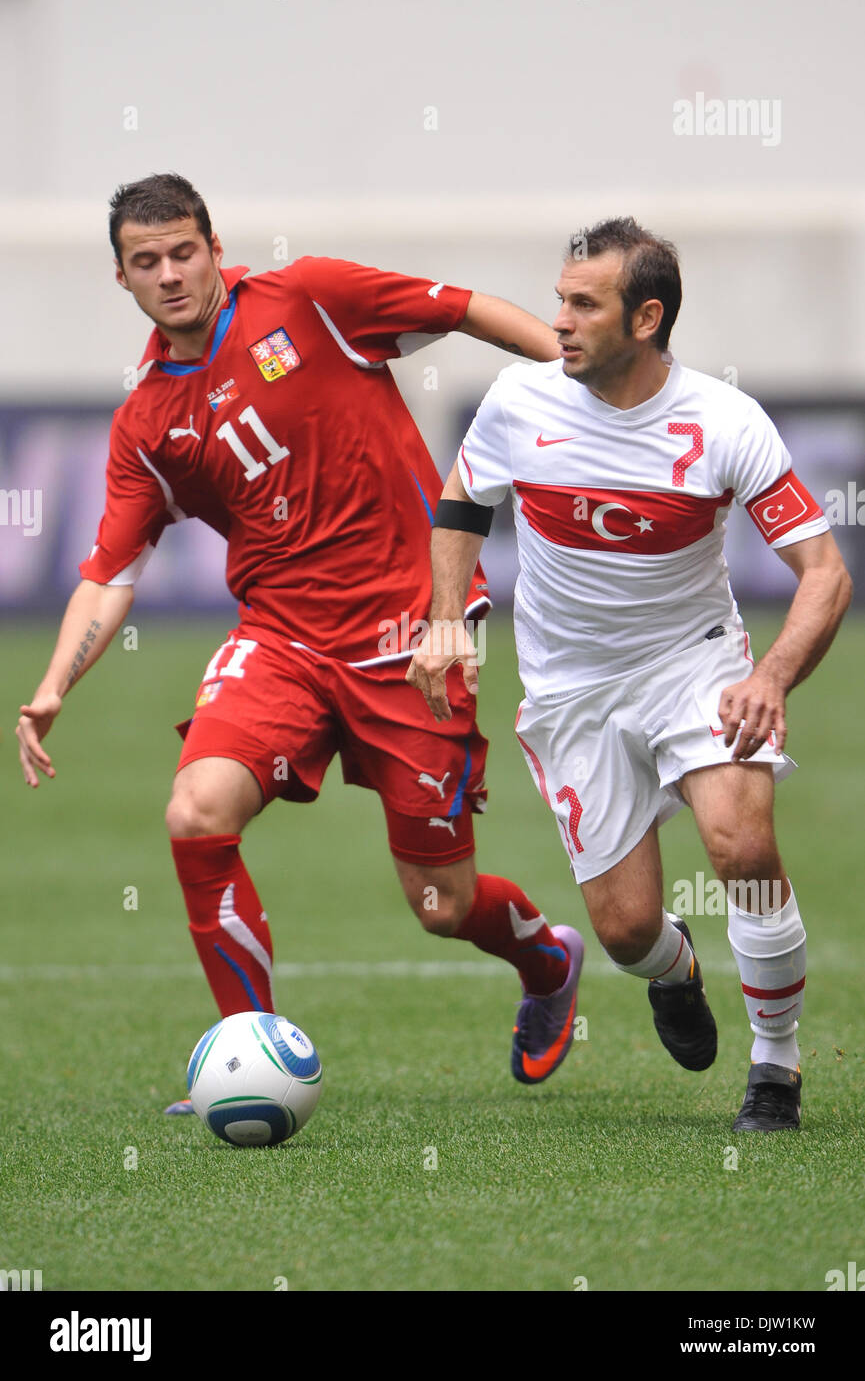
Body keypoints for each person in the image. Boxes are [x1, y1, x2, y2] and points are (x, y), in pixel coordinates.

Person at [17, 173, 585, 1112]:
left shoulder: (311, 299)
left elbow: (466, 308)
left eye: (182, 251)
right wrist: (52, 686)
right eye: (145, 262)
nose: (168, 274)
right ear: (120, 279)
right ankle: (248, 1053)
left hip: (415, 633)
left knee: (441, 904)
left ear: (213, 246)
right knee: (196, 810)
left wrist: (574, 387)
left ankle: (544, 957)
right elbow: (108, 575)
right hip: (280, 640)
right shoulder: (148, 426)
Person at [407, 216, 852, 1132]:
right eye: (559, 299)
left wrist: (767, 677)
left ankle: (776, 1066)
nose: (557, 321)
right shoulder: (519, 403)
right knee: (624, 931)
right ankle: (674, 969)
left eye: (583, 304)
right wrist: (447, 616)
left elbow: (826, 574)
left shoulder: (722, 423)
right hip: (571, 691)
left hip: (691, 664)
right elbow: (461, 503)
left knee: (740, 844)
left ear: (645, 318)